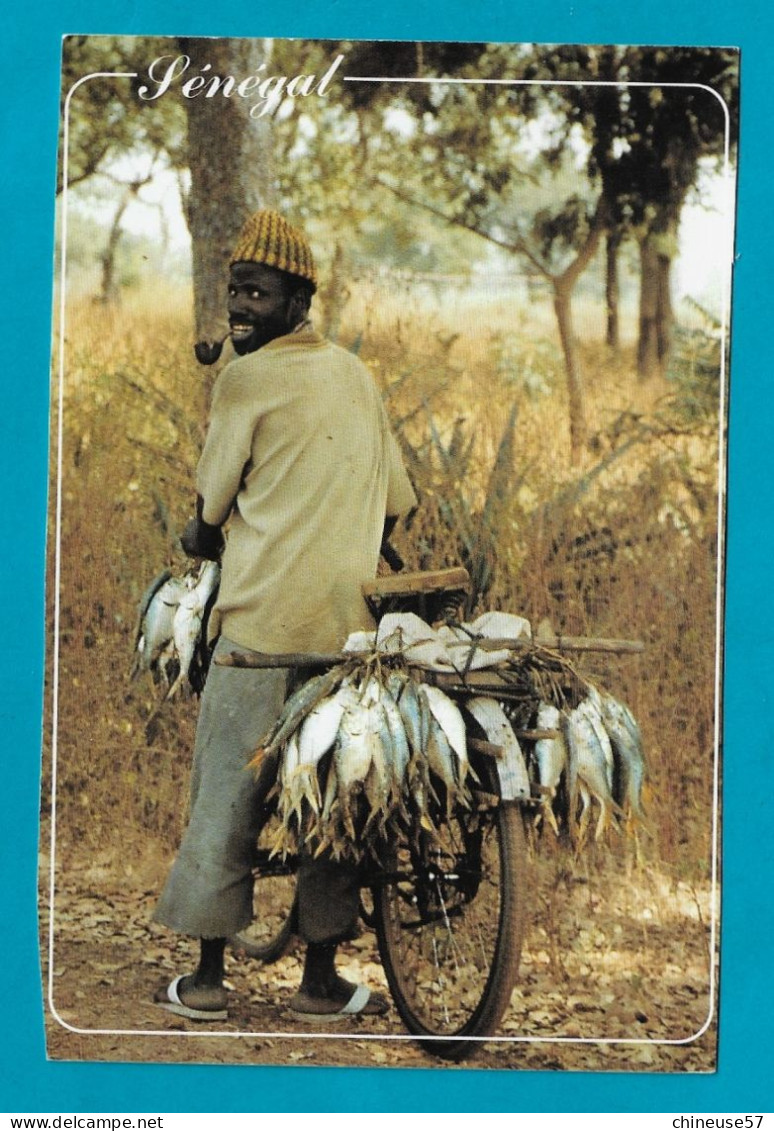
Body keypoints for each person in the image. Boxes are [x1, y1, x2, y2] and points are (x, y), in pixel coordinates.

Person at [152, 209, 417, 1021]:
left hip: (261, 630)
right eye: (234, 289)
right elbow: (398, 506)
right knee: (333, 803)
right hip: (348, 637)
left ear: (298, 297)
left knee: (228, 793)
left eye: (257, 292)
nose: (240, 304)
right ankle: (319, 982)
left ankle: (204, 979)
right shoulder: (355, 374)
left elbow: (212, 504)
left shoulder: (245, 378)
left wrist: (200, 534)